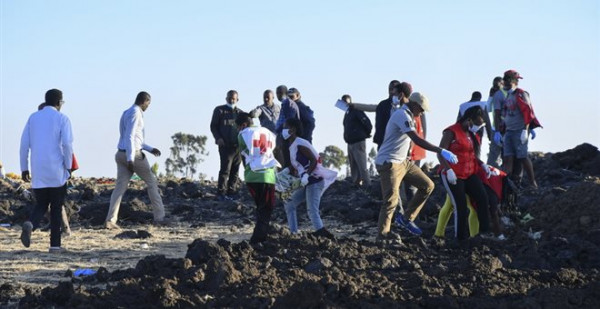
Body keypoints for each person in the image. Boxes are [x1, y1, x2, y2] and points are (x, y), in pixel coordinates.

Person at [375, 90, 458, 242]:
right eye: (421, 109)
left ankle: (406, 219)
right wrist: (440, 150)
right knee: (391, 201)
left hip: (403, 161)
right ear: (414, 105)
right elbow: (417, 139)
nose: (421, 113)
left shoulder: (410, 116)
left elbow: (410, 140)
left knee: (427, 185)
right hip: (389, 162)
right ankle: (382, 235)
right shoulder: (402, 115)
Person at [19, 89, 73, 252]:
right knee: (56, 207)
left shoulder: (33, 118)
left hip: (38, 169)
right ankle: (55, 245)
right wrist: (68, 166)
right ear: (59, 102)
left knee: (41, 204)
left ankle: (31, 224)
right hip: (56, 169)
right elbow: (67, 145)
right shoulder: (62, 118)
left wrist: (24, 168)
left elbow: (23, 146)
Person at [105, 91, 167, 229]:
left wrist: (150, 149)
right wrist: (130, 158)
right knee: (151, 182)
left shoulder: (126, 112)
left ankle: (110, 220)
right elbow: (130, 136)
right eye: (148, 104)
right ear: (145, 101)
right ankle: (159, 217)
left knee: (119, 188)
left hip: (121, 153)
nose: (148, 107)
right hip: (132, 156)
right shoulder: (136, 113)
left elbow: (134, 139)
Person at [438, 106, 495, 240]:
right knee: (460, 206)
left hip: (469, 174)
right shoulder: (451, 132)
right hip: (453, 175)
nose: (477, 128)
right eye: (476, 124)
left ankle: (484, 233)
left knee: (482, 198)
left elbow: (471, 154)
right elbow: (440, 153)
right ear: (469, 120)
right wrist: (448, 170)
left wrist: (482, 165)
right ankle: (460, 239)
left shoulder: (470, 134)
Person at [282, 118, 337, 238]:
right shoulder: (292, 145)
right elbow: (298, 165)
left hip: (314, 181)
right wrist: (285, 171)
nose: (283, 130)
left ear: (293, 129)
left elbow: (313, 160)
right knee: (289, 203)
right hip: (306, 182)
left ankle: (322, 234)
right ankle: (294, 233)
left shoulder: (300, 144)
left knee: (312, 210)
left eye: (286, 127)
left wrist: (306, 175)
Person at [235, 112, 279, 244]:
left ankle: (260, 235)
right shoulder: (268, 132)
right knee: (266, 208)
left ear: (243, 125)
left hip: (252, 175)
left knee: (261, 207)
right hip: (267, 174)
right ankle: (259, 237)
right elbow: (274, 150)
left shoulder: (242, 135)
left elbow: (244, 156)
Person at [494, 70, 542, 189]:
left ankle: (532, 183)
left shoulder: (522, 94)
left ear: (513, 81)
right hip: (509, 132)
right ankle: (506, 184)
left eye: (507, 81)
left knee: (522, 156)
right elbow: (505, 115)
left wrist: (526, 130)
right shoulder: (509, 96)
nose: (505, 84)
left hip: (519, 130)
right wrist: (500, 132)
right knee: (507, 157)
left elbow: (528, 112)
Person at [210, 90, 244, 200]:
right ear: (226, 98)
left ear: (237, 100)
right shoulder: (219, 110)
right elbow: (213, 126)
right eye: (229, 98)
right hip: (225, 146)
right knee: (225, 169)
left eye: (233, 99)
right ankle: (221, 192)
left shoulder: (240, 113)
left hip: (237, 147)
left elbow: (246, 127)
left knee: (235, 170)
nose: (231, 100)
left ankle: (232, 191)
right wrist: (218, 138)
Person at [341, 94, 372, 188]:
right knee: (353, 165)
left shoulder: (356, 110)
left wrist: (365, 134)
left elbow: (367, 123)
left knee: (362, 165)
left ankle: (367, 184)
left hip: (358, 142)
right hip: (350, 142)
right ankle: (356, 183)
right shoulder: (347, 113)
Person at [486, 77, 505, 168]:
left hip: (506, 128)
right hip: (495, 128)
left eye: (498, 86)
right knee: (493, 155)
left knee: (507, 153)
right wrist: (490, 96)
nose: (496, 88)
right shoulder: (495, 95)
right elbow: (488, 109)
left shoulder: (505, 94)